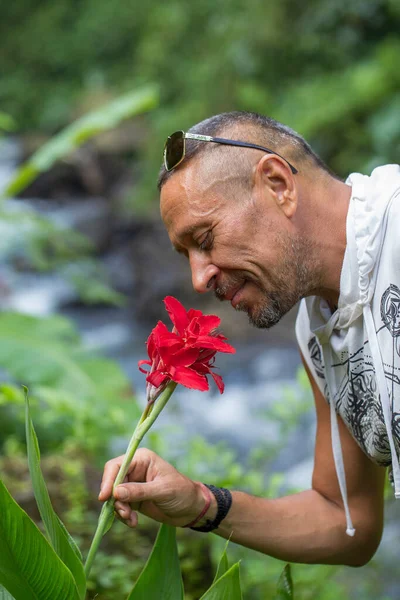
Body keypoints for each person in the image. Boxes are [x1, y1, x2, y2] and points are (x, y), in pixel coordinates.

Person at [99, 111, 400, 566]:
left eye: (204, 237)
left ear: (278, 183)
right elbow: (345, 520)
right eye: (186, 255)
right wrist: (200, 504)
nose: (198, 278)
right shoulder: (316, 330)